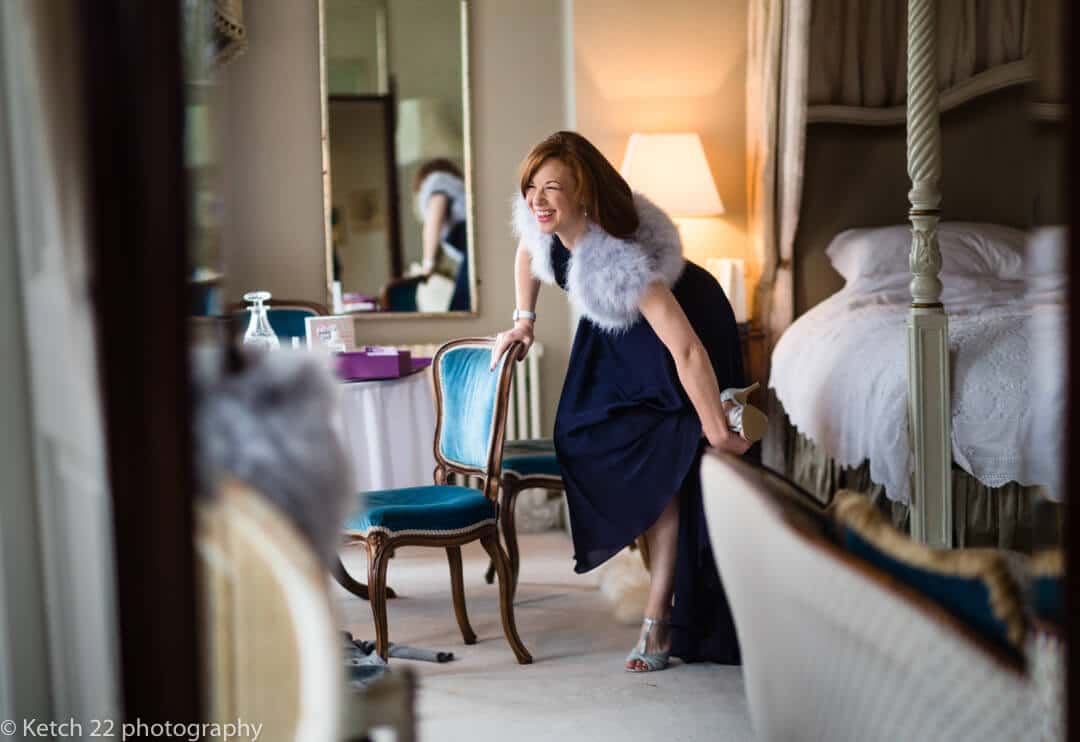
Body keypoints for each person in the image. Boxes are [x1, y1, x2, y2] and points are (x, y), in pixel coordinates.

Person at [490, 131, 753, 673]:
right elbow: (526, 250)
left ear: (582, 195)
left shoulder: (618, 262)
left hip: (686, 325)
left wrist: (717, 429)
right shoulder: (545, 228)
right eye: (532, 188)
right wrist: (524, 322)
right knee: (579, 432)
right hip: (615, 333)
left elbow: (686, 347)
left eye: (552, 188)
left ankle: (659, 621)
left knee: (666, 457)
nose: (537, 200)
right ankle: (657, 567)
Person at [413, 158, 470, 311]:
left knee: (460, 308)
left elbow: (433, 221)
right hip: (471, 251)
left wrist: (427, 265)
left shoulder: (437, 180)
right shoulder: (455, 187)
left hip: (471, 250)